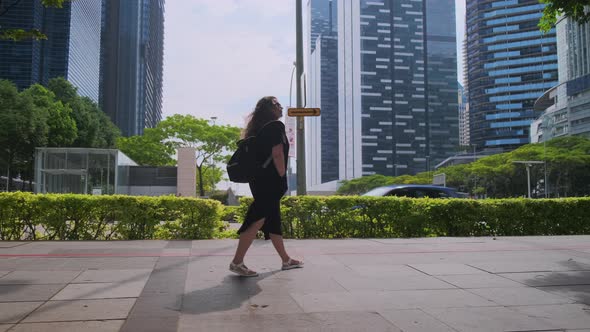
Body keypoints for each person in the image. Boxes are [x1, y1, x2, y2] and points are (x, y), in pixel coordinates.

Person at [229, 96, 303, 277]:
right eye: (276, 104)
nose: (280, 107)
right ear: (269, 109)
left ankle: (286, 260)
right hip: (270, 181)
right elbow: (277, 153)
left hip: (259, 180)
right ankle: (237, 262)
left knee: (272, 220)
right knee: (257, 219)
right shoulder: (275, 126)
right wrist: (281, 176)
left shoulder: (258, 130)